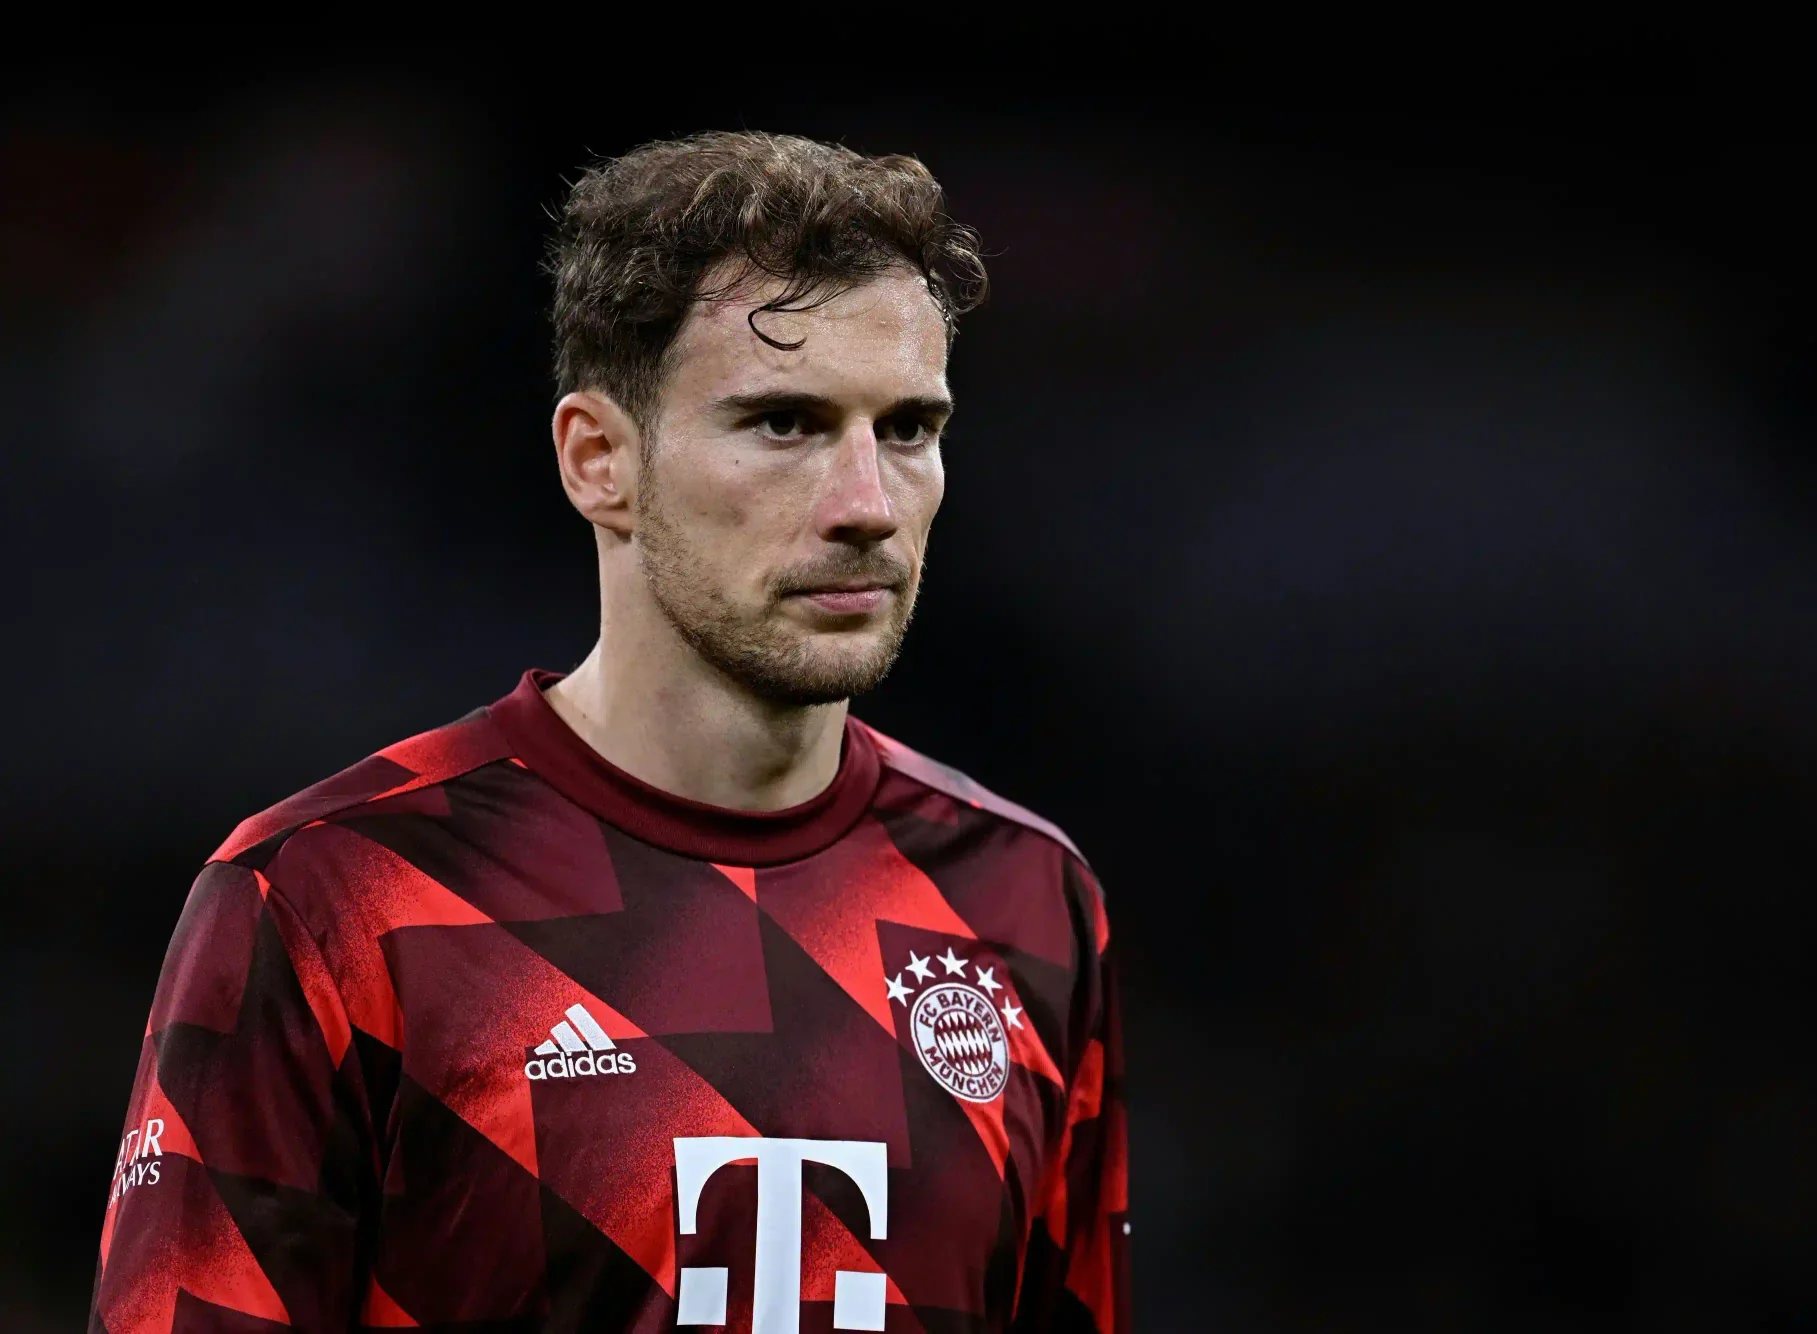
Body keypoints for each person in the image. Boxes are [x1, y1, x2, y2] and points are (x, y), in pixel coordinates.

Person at [90, 132, 1127, 1334]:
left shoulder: (1029, 899)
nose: (866, 504)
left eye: (904, 427)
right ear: (598, 460)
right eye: (783, 423)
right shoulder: (335, 896)